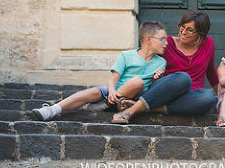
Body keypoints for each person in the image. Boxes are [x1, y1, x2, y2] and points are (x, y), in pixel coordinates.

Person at [31, 21, 167, 121]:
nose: (166, 43)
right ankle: (52, 109)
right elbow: (113, 79)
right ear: (148, 39)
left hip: (132, 101)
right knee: (95, 91)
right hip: (114, 94)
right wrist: (112, 92)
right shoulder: (126, 55)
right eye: (162, 39)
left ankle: (104, 105)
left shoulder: (161, 63)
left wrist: (157, 78)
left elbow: (154, 89)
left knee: (137, 82)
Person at [112, 10, 219, 124]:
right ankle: (130, 112)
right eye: (182, 27)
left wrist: (221, 98)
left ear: (200, 34)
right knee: (183, 78)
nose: (183, 32)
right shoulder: (166, 43)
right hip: (164, 92)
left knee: (209, 98)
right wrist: (156, 74)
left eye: (190, 30)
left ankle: (142, 106)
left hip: (189, 97)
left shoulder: (208, 44)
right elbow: (145, 63)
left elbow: (211, 72)